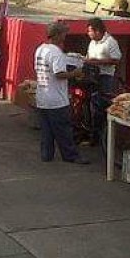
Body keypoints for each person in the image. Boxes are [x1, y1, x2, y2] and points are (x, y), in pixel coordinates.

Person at [35, 22, 90, 165]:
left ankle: (46, 154)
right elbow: (59, 74)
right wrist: (75, 73)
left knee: (47, 130)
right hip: (56, 100)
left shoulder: (41, 49)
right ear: (58, 35)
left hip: (42, 97)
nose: (65, 36)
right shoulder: (56, 53)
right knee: (64, 130)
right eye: (64, 33)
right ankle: (71, 155)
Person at [84, 17, 122, 144]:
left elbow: (116, 60)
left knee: (103, 105)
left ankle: (103, 136)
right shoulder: (92, 43)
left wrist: (98, 62)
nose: (88, 34)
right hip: (92, 77)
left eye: (90, 31)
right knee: (91, 105)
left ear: (98, 31)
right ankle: (93, 134)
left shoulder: (110, 42)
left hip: (105, 77)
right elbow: (88, 57)